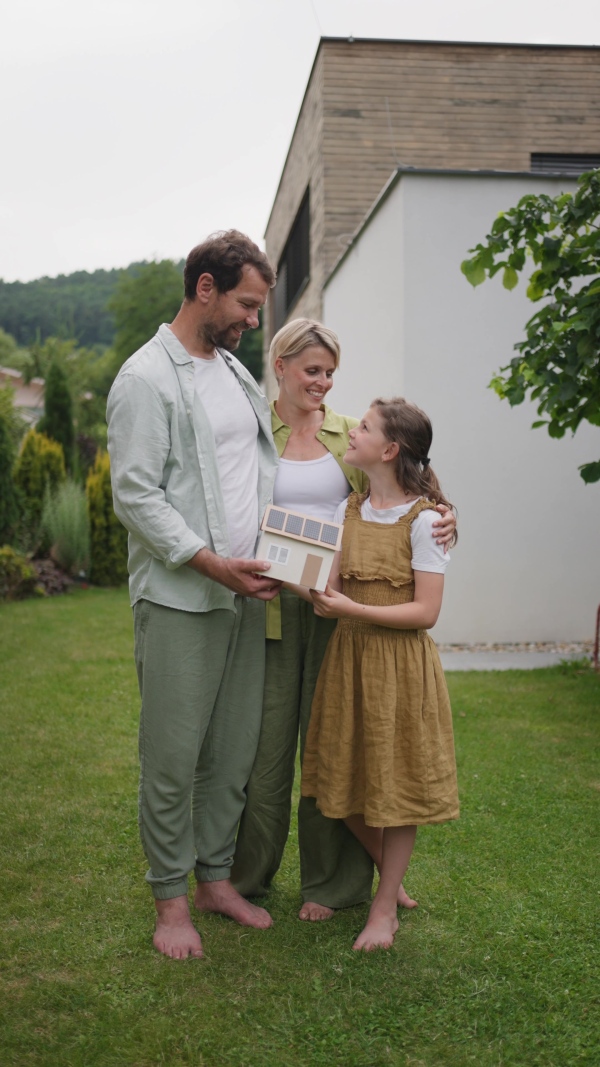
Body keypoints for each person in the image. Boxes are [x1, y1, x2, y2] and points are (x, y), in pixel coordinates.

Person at [232, 323, 456, 920]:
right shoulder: (252, 429)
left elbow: (406, 482)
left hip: (342, 617)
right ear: (279, 365)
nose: (323, 383)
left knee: (338, 749)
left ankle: (333, 886)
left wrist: (446, 513)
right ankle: (245, 876)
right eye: (312, 370)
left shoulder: (350, 434)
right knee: (266, 753)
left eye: (330, 371)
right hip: (270, 609)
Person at [107, 230, 282, 960]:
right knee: (174, 756)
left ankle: (215, 877)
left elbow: (260, 468)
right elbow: (135, 496)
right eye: (245, 303)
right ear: (204, 288)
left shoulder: (238, 374)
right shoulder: (145, 378)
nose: (252, 319)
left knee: (232, 750)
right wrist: (211, 562)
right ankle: (170, 900)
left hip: (248, 594)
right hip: (185, 597)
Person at [301, 396, 460, 951]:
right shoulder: (351, 509)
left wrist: (352, 611)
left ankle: (384, 905)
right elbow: (331, 584)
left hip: (400, 664)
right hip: (349, 660)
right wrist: (299, 581)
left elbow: (426, 612)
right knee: (336, 774)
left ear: (389, 450)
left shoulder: (428, 521)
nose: (354, 430)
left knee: (397, 785)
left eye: (364, 427)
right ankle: (391, 876)